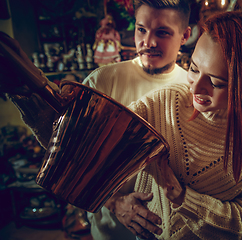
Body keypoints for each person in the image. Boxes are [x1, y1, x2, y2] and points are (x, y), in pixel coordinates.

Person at [0, 0, 191, 239]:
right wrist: (116, 202)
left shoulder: (193, 90)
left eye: (162, 32)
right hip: (109, 232)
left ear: (185, 35)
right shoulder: (103, 81)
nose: (148, 42)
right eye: (141, 29)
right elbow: (65, 148)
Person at [104, 10, 242, 240]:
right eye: (194, 69)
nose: (195, 89)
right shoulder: (163, 103)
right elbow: (96, 147)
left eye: (216, 82)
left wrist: (180, 196)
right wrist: (115, 201)